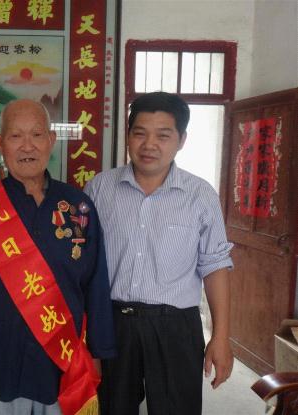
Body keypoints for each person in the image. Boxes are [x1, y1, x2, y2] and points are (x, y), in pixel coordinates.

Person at [0, 99, 116, 415]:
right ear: (0, 143)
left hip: (64, 369)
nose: (27, 146)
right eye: (15, 136)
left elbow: (96, 285)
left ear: (51, 140)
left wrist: (96, 355)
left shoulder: (78, 206)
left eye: (36, 135)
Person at [84, 91, 234, 415]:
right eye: (140, 133)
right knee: (110, 408)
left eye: (163, 136)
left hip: (176, 326)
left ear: (181, 140)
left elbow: (215, 266)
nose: (149, 145)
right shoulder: (99, 189)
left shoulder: (199, 195)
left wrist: (221, 337)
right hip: (113, 323)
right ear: (128, 135)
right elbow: (83, 263)